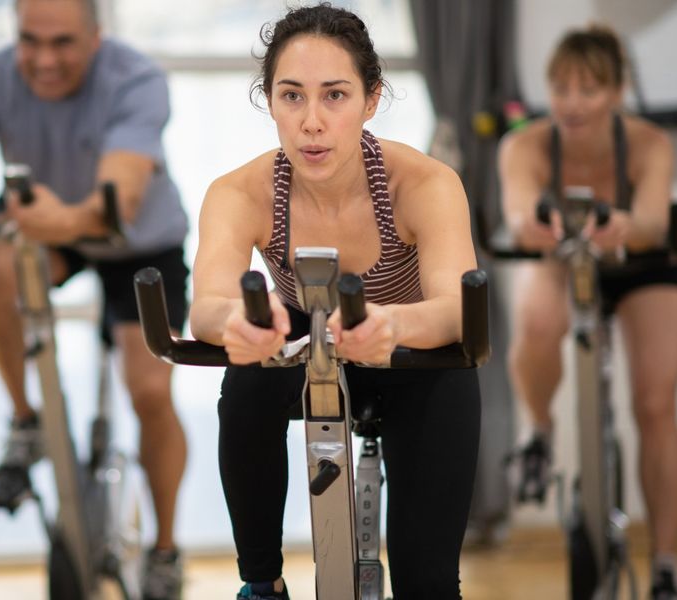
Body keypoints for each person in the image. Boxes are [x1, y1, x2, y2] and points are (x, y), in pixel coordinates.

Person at [189, 5, 482, 599]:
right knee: (244, 379)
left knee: (428, 585)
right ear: (268, 101)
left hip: (415, 354)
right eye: (292, 96)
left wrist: (389, 324)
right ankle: (261, 583)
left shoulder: (424, 183)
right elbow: (206, 307)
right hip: (305, 337)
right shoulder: (239, 192)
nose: (312, 123)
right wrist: (237, 324)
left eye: (336, 96)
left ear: (372, 100)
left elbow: (456, 308)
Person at [0, 0, 190, 596]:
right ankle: (27, 421)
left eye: (63, 43)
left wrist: (60, 219)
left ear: (96, 38)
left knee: (149, 393)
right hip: (50, 232)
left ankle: (166, 550)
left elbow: (117, 202)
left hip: (137, 239)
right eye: (30, 41)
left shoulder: (137, 79)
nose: (44, 59)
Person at [501, 24, 677, 599]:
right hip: (566, 256)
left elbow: (655, 222)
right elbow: (516, 215)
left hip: (642, 262)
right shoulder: (527, 145)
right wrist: (535, 226)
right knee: (535, 321)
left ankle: (663, 565)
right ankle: (539, 430)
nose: (572, 103)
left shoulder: (647, 143)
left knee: (655, 405)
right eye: (561, 89)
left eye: (588, 89)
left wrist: (625, 228)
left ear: (617, 91)